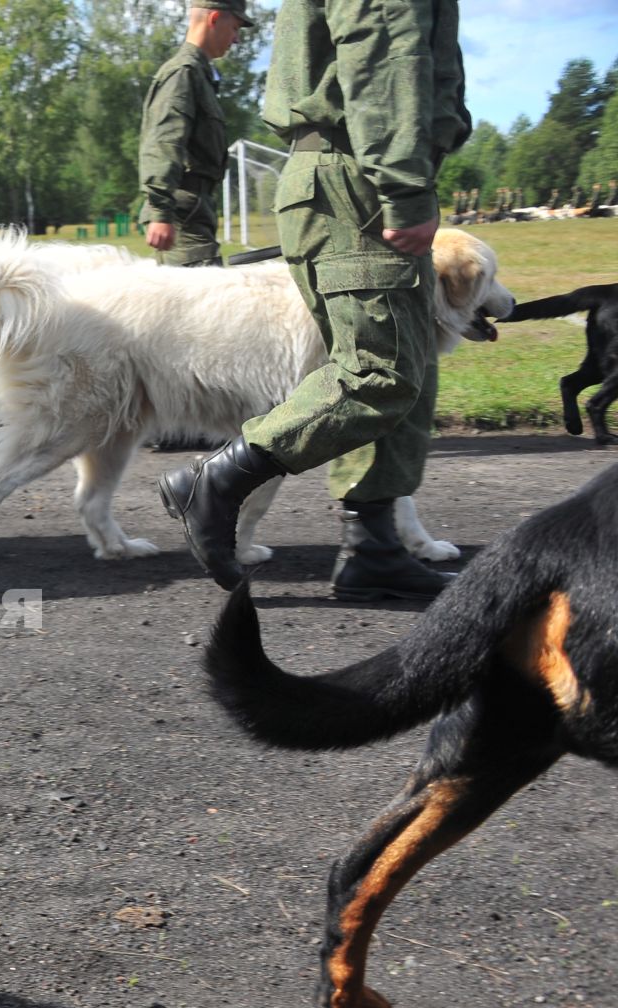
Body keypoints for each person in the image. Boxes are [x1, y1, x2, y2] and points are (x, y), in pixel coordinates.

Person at [158, 0, 469, 602]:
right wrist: (403, 186)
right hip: (361, 175)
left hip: (355, 168)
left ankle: (373, 548)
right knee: (379, 373)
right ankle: (214, 484)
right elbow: (382, 44)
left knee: (408, 368)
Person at [138, 0, 254, 267]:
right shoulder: (184, 73)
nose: (236, 39)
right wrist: (160, 212)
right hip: (181, 213)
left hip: (193, 208)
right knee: (198, 300)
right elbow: (163, 141)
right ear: (214, 18)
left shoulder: (201, 75)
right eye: (235, 27)